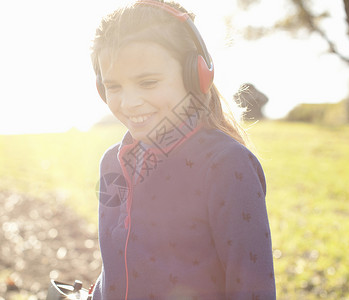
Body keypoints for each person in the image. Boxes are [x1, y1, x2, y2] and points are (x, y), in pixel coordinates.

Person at [90, 0, 276, 299]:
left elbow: (252, 289)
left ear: (196, 74)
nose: (129, 102)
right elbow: (115, 268)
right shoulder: (112, 163)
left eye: (148, 82)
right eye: (114, 86)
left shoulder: (227, 164)